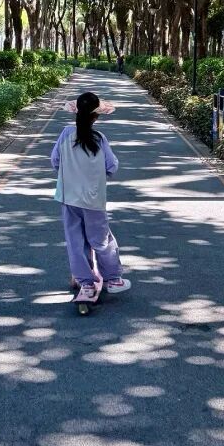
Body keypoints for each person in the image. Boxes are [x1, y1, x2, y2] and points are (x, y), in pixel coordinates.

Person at [50, 91, 131, 303]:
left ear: (76, 112)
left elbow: (55, 160)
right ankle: (113, 279)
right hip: (93, 199)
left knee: (75, 241)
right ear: (96, 116)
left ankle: (85, 282)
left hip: (68, 197)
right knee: (101, 239)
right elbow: (111, 166)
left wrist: (69, 173)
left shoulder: (66, 134)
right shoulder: (99, 138)